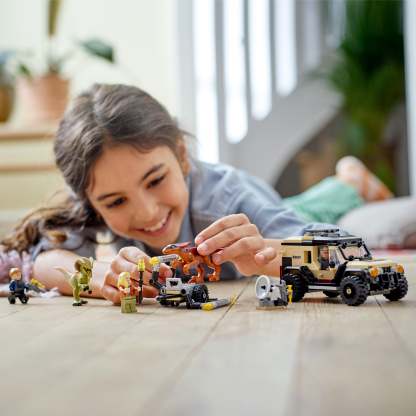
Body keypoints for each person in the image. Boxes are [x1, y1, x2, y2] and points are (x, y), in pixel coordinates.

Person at [0, 84, 392, 305]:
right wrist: (102, 276)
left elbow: (331, 254)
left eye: (155, 180)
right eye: (116, 202)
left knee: (306, 209)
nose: (147, 212)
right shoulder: (95, 189)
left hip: (267, 211)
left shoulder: (227, 198)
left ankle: (350, 183)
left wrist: (264, 255)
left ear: (182, 157)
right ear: (93, 202)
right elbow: (44, 261)